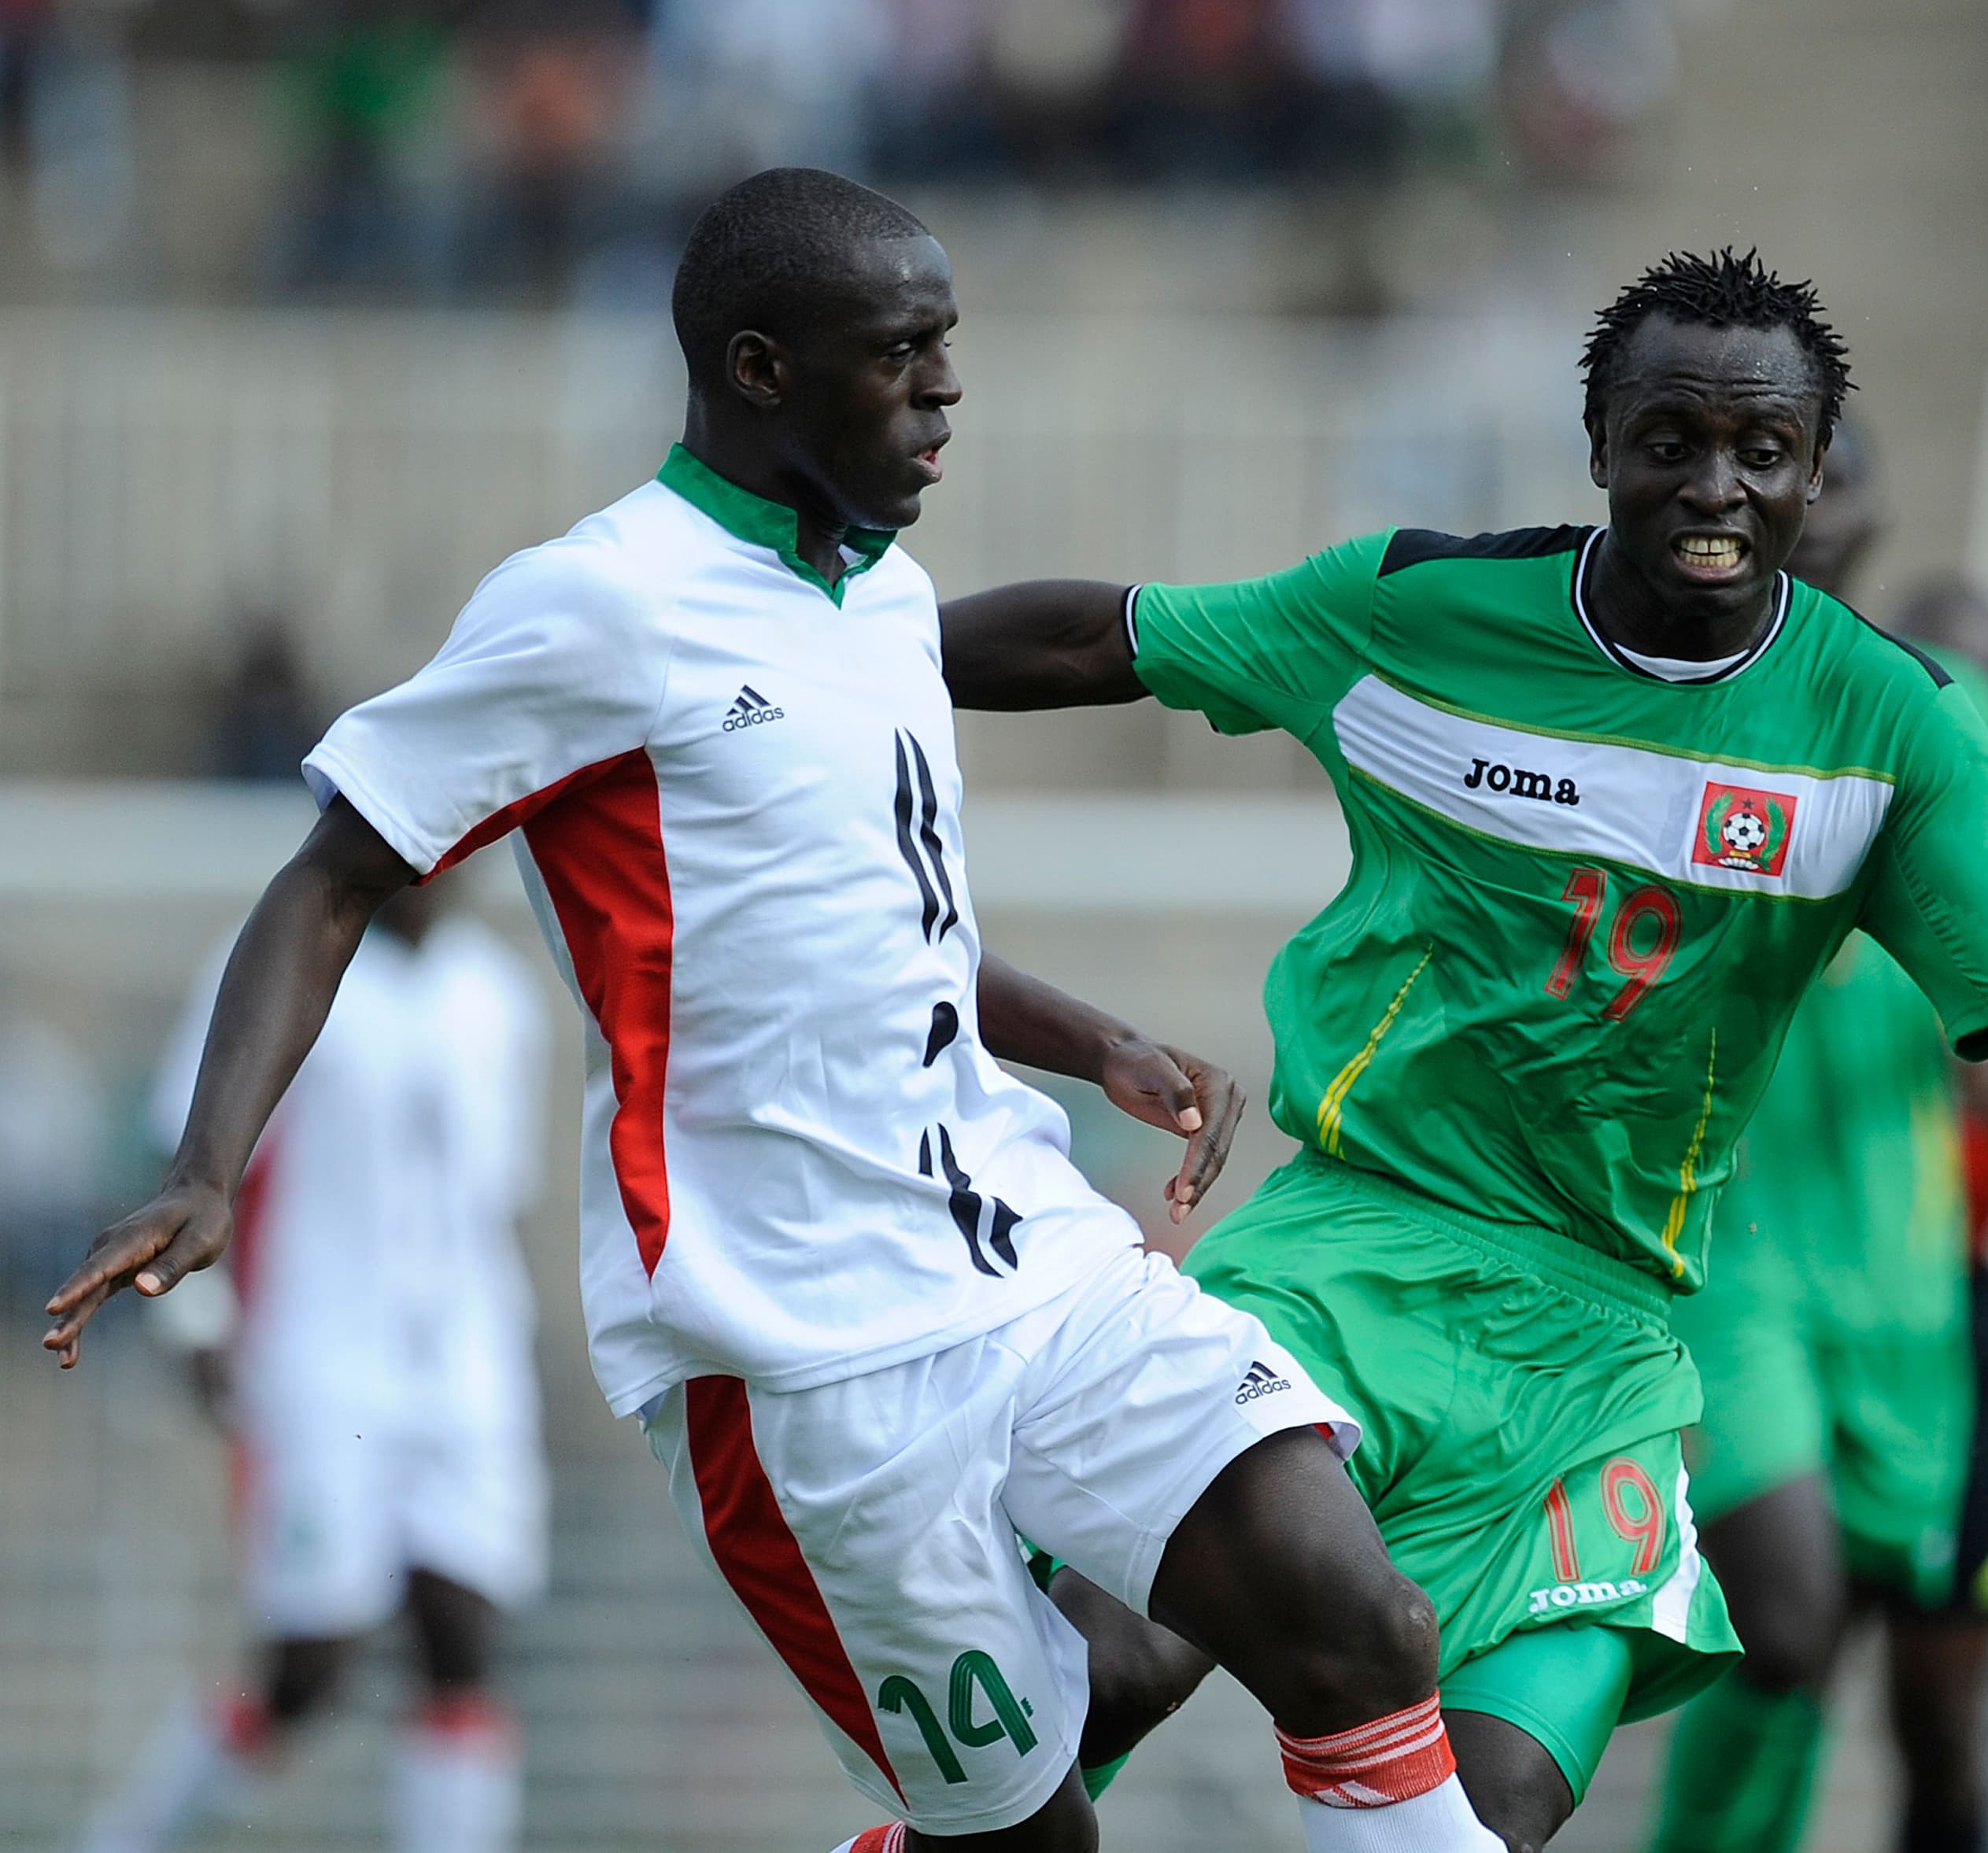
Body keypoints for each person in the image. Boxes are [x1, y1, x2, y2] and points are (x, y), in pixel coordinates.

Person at [46, 167, 1505, 1853]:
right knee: (1031, 1838)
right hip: (800, 1353)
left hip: (1025, 1249)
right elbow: (330, 878)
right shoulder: (598, 601)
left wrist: (1085, 1035)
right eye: (901, 350)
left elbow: (880, 931)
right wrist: (212, 1164)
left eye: (949, 342)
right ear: (759, 369)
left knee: (1355, 1613)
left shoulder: (884, 599)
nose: (948, 384)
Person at [933, 247, 1988, 1852]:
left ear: (1817, 467)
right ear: (1600, 442)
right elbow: (1105, 639)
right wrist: (864, 662)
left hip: (1602, 1345)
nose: (1715, 485)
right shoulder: (1420, 612)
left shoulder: (1894, 728)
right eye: (1671, 441)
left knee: (1492, 1810)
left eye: (1763, 450)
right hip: (1352, 1254)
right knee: (1105, 1678)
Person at [1647, 423, 1988, 1853]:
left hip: (1943, 1321)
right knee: (1782, 1634)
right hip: (1737, 1282)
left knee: (1938, 1727)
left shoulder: (1987, 803)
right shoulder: (1742, 727)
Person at [74, 870, 549, 1853]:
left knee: (462, 1641)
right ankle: (130, 1835)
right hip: (322, 1361)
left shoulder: (498, 997)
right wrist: (195, 1317)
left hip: (469, 1368)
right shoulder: (286, 969)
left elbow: (500, 1197)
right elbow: (187, 1159)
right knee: (313, 1661)